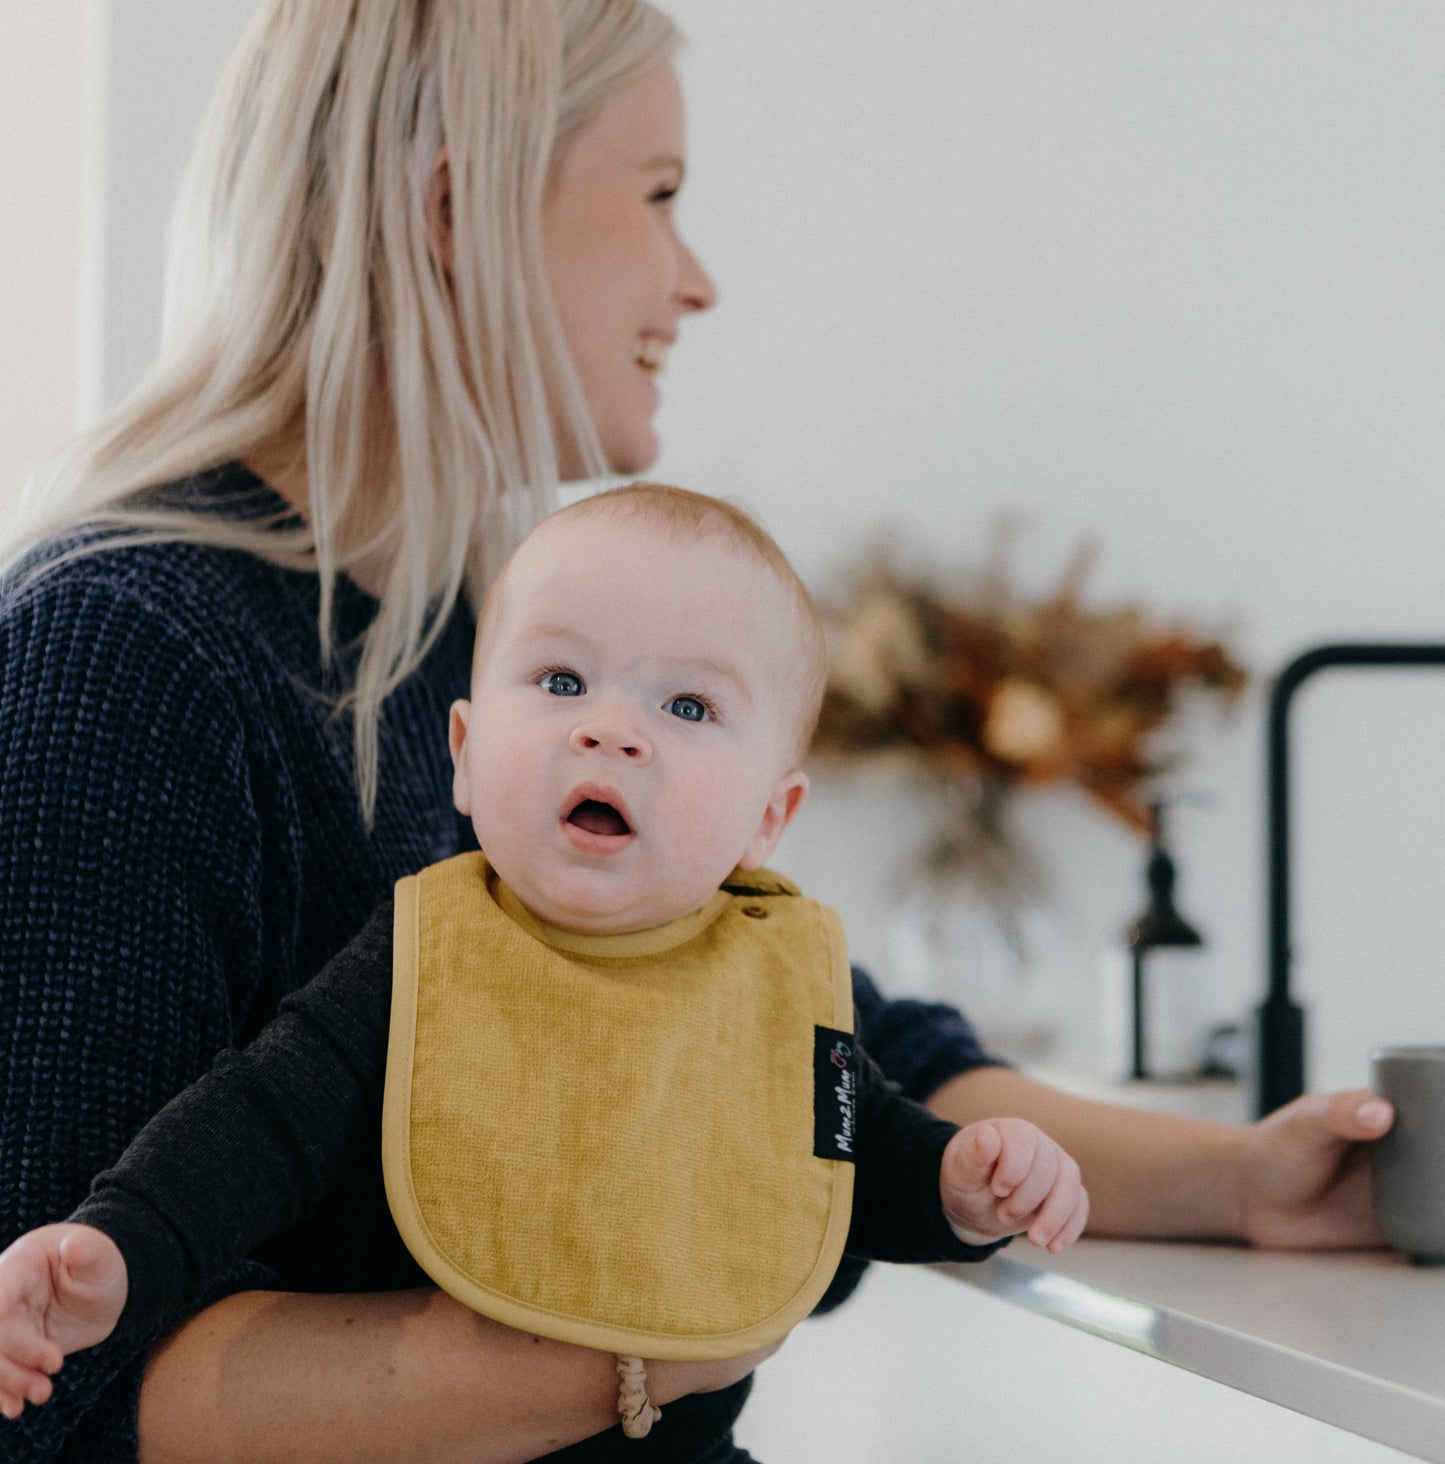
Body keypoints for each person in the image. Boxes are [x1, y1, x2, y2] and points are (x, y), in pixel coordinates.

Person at [0, 2, 1392, 1461]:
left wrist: (1244, 1182)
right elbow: (51, 1395)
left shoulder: (490, 638)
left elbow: (826, 1036)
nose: (698, 280)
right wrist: (651, 1347)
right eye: (660, 194)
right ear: (458, 210)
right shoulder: (124, 656)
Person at [0, 483, 1091, 1456]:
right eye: (563, 680)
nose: (612, 731)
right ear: (464, 757)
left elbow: (851, 1157)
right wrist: (119, 1251)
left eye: (688, 707)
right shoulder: (428, 952)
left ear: (770, 816)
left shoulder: (772, 980)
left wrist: (955, 1186)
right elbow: (255, 1130)